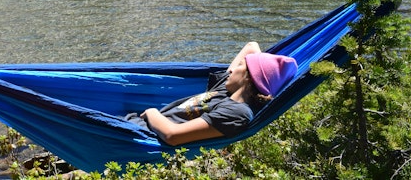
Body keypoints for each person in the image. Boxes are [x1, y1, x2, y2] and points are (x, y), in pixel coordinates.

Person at [125, 41, 297, 145]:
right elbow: (251, 47)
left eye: (240, 67)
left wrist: (151, 112)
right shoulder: (225, 89)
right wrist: (263, 69)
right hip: (131, 124)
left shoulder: (237, 112)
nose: (231, 70)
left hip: (141, 136)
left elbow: (172, 136)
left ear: (247, 77)